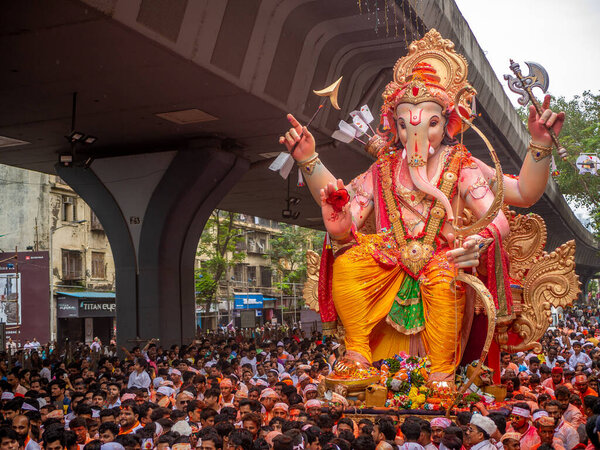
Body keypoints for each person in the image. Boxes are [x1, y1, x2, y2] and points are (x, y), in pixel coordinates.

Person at [278, 28, 564, 382]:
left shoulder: (461, 164)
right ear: (395, 126)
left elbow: (511, 204)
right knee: (349, 262)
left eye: (429, 124)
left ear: (446, 123)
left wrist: (538, 143)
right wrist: (311, 164)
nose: (416, 135)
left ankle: (441, 374)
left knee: (444, 277)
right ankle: (357, 354)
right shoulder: (384, 167)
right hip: (390, 259)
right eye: (404, 125)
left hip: (444, 262)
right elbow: (345, 208)